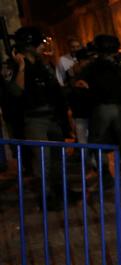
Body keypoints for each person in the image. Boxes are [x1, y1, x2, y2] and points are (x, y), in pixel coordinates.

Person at [2, 27, 70, 201]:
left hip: (51, 117)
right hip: (34, 119)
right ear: (29, 46)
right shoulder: (13, 66)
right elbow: (16, 92)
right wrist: (22, 67)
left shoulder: (43, 64)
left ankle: (62, 190)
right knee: (42, 159)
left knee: (58, 157)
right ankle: (46, 196)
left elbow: (54, 89)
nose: (42, 47)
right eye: (39, 44)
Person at [77, 34, 121, 184]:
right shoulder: (120, 66)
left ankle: (105, 172)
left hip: (99, 109)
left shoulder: (91, 67)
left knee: (98, 142)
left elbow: (80, 86)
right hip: (120, 109)